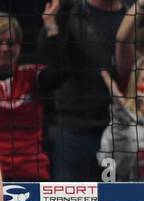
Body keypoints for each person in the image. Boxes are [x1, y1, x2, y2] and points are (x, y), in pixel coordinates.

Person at [40, 0, 128, 180]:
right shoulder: (67, 13)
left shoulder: (131, 15)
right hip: (74, 130)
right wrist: (53, 27)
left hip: (116, 131)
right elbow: (52, 73)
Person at [0, 9, 54, 181]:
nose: (5, 48)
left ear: (20, 46)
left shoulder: (33, 76)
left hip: (33, 174)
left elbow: (60, 70)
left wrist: (51, 27)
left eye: (11, 43)